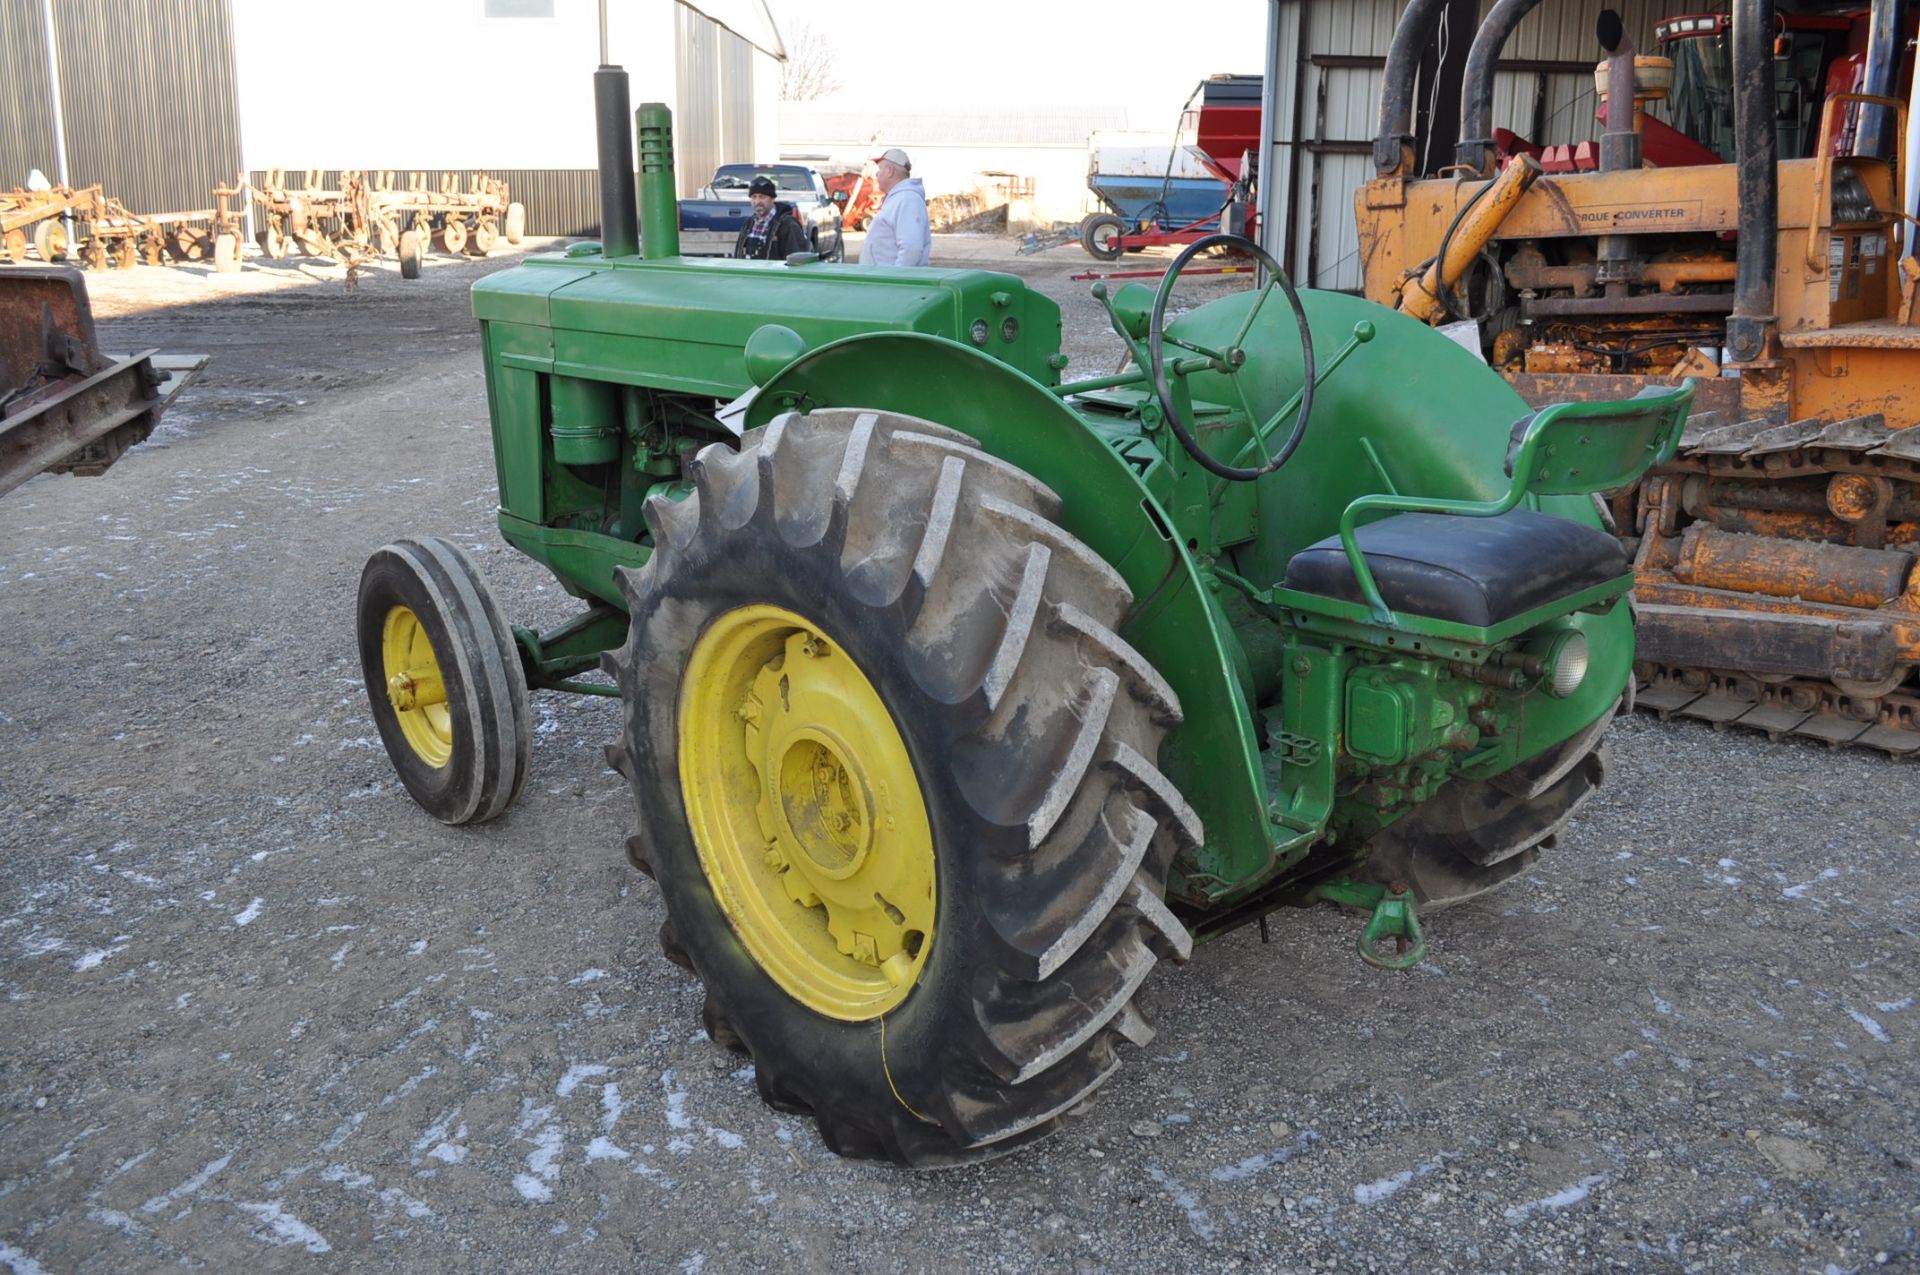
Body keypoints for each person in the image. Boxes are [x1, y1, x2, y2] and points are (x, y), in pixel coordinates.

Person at [858, 148, 929, 267]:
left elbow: (911, 249)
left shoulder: (908, 200)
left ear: (890, 171)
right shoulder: (899, 198)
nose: (877, 174)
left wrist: (895, 281)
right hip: (884, 281)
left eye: (880, 169)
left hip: (892, 283)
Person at [733, 176, 810, 260]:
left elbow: (796, 261)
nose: (757, 201)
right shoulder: (748, 224)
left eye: (762, 197)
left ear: (772, 198)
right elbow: (738, 257)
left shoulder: (788, 225)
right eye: (754, 197)